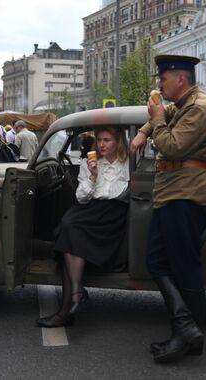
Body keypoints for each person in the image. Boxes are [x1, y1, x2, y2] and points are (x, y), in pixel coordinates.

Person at [131, 55, 206, 363]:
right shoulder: (185, 104)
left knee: (184, 266)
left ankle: (187, 333)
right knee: (157, 260)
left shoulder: (199, 107)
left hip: (189, 194)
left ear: (180, 79)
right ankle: (186, 331)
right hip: (173, 192)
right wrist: (145, 129)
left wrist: (156, 121)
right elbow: (164, 114)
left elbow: (172, 146)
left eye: (163, 78)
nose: (159, 84)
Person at [36, 126, 129, 328]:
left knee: (67, 232)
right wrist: (94, 174)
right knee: (68, 225)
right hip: (90, 208)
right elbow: (81, 197)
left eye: (107, 140)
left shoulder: (128, 163)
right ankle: (76, 292)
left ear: (118, 141)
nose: (102, 144)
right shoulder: (90, 163)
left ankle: (67, 308)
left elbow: (121, 194)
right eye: (99, 140)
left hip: (113, 213)